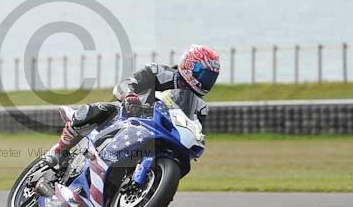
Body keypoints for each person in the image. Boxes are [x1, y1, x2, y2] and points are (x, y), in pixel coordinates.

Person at [42, 45, 221, 169]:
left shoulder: (200, 107)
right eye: (203, 74)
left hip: (160, 133)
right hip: (129, 117)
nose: (206, 81)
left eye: (210, 77)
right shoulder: (159, 72)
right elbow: (125, 84)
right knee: (101, 110)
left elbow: (195, 129)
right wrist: (129, 96)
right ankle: (58, 151)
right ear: (189, 65)